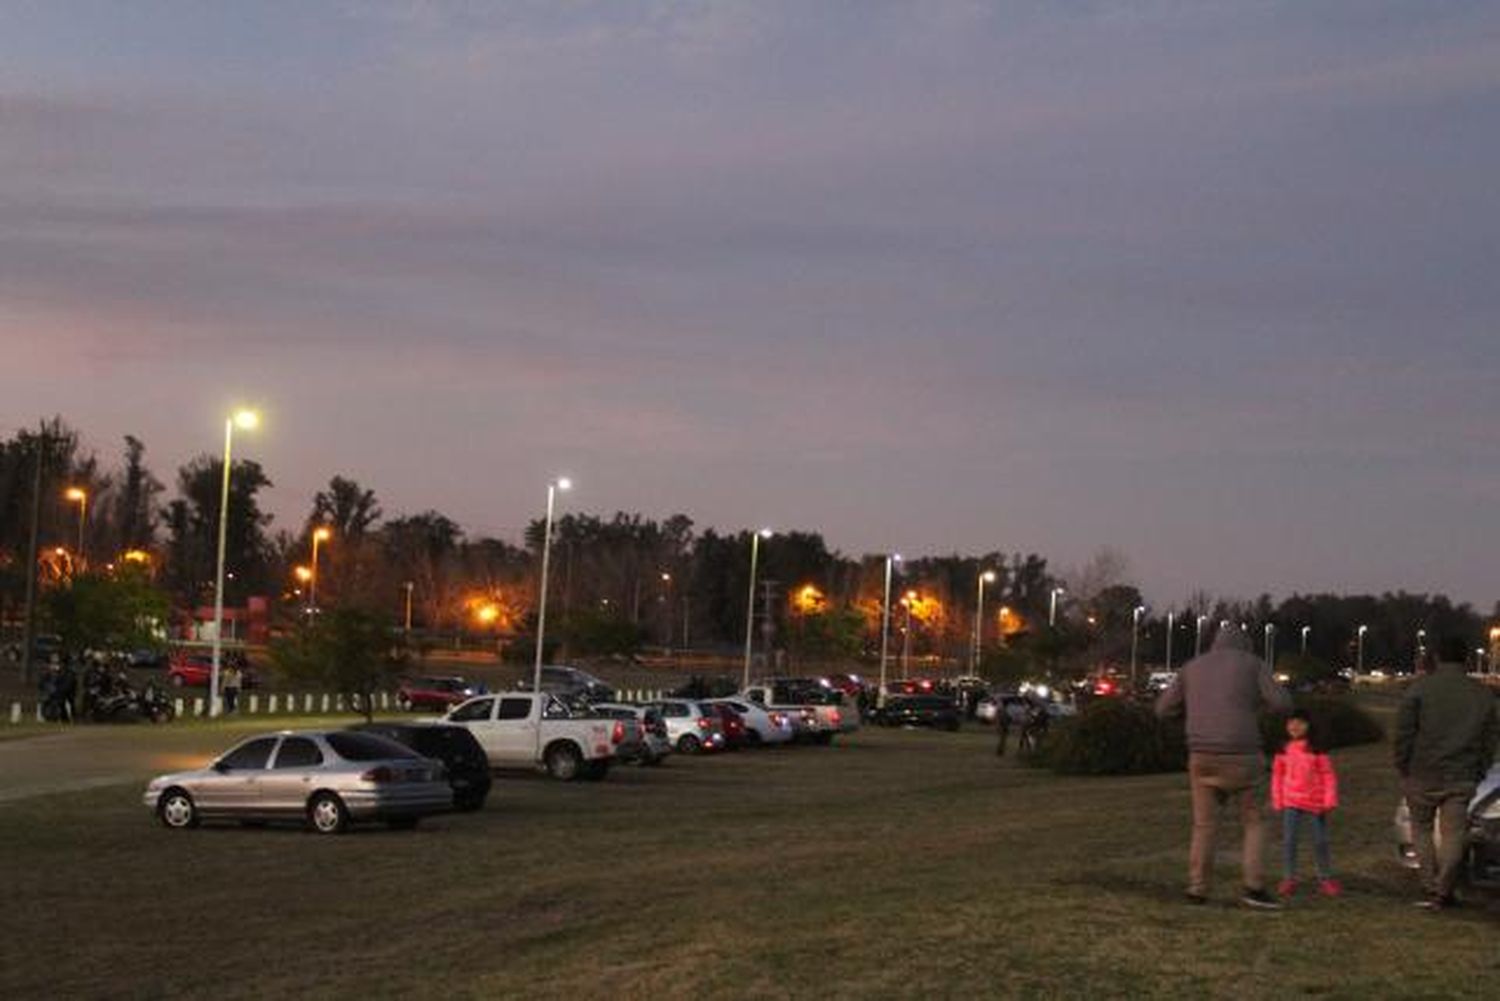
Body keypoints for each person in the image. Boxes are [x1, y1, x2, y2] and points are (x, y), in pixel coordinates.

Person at [1156, 622, 1292, 909]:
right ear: (1245, 645)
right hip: (1243, 755)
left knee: (1204, 825)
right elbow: (1281, 703)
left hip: (1201, 756)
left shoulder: (1192, 667)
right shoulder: (1253, 664)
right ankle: (1253, 887)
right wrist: (1254, 707)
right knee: (1255, 822)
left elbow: (1163, 709)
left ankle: (1197, 888)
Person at [1395, 646, 1497, 910]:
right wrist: (1480, 769)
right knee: (1454, 834)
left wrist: (1403, 765)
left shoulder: (1420, 689)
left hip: (1422, 771)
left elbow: (1404, 732)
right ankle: (1445, 888)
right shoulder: (1482, 694)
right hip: (1461, 775)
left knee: (1422, 829)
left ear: (1438, 658)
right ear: (1466, 659)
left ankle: (1430, 885)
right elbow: (1490, 738)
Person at [1272, 710, 1340, 898]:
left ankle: (1325, 878)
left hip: (1314, 802)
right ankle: (1288, 878)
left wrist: (1329, 798)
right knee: (1289, 841)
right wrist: (1278, 799)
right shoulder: (1283, 749)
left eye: (1300, 723)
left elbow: (1328, 775)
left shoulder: (1316, 749)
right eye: (1291, 722)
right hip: (1290, 802)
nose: (1295, 727)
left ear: (1309, 726)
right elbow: (1277, 775)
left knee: (1320, 841)